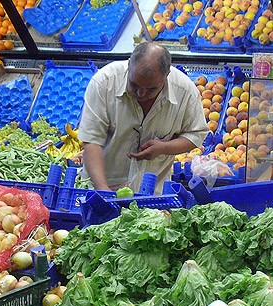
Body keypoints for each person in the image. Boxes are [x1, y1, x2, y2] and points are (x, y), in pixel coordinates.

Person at [78, 42, 209, 194]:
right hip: (100, 187)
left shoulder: (185, 92)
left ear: (166, 76)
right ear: (129, 65)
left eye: (151, 89)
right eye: (134, 85)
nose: (141, 93)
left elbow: (196, 134)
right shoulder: (104, 83)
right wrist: (102, 190)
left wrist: (163, 148)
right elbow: (92, 139)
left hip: (152, 193)